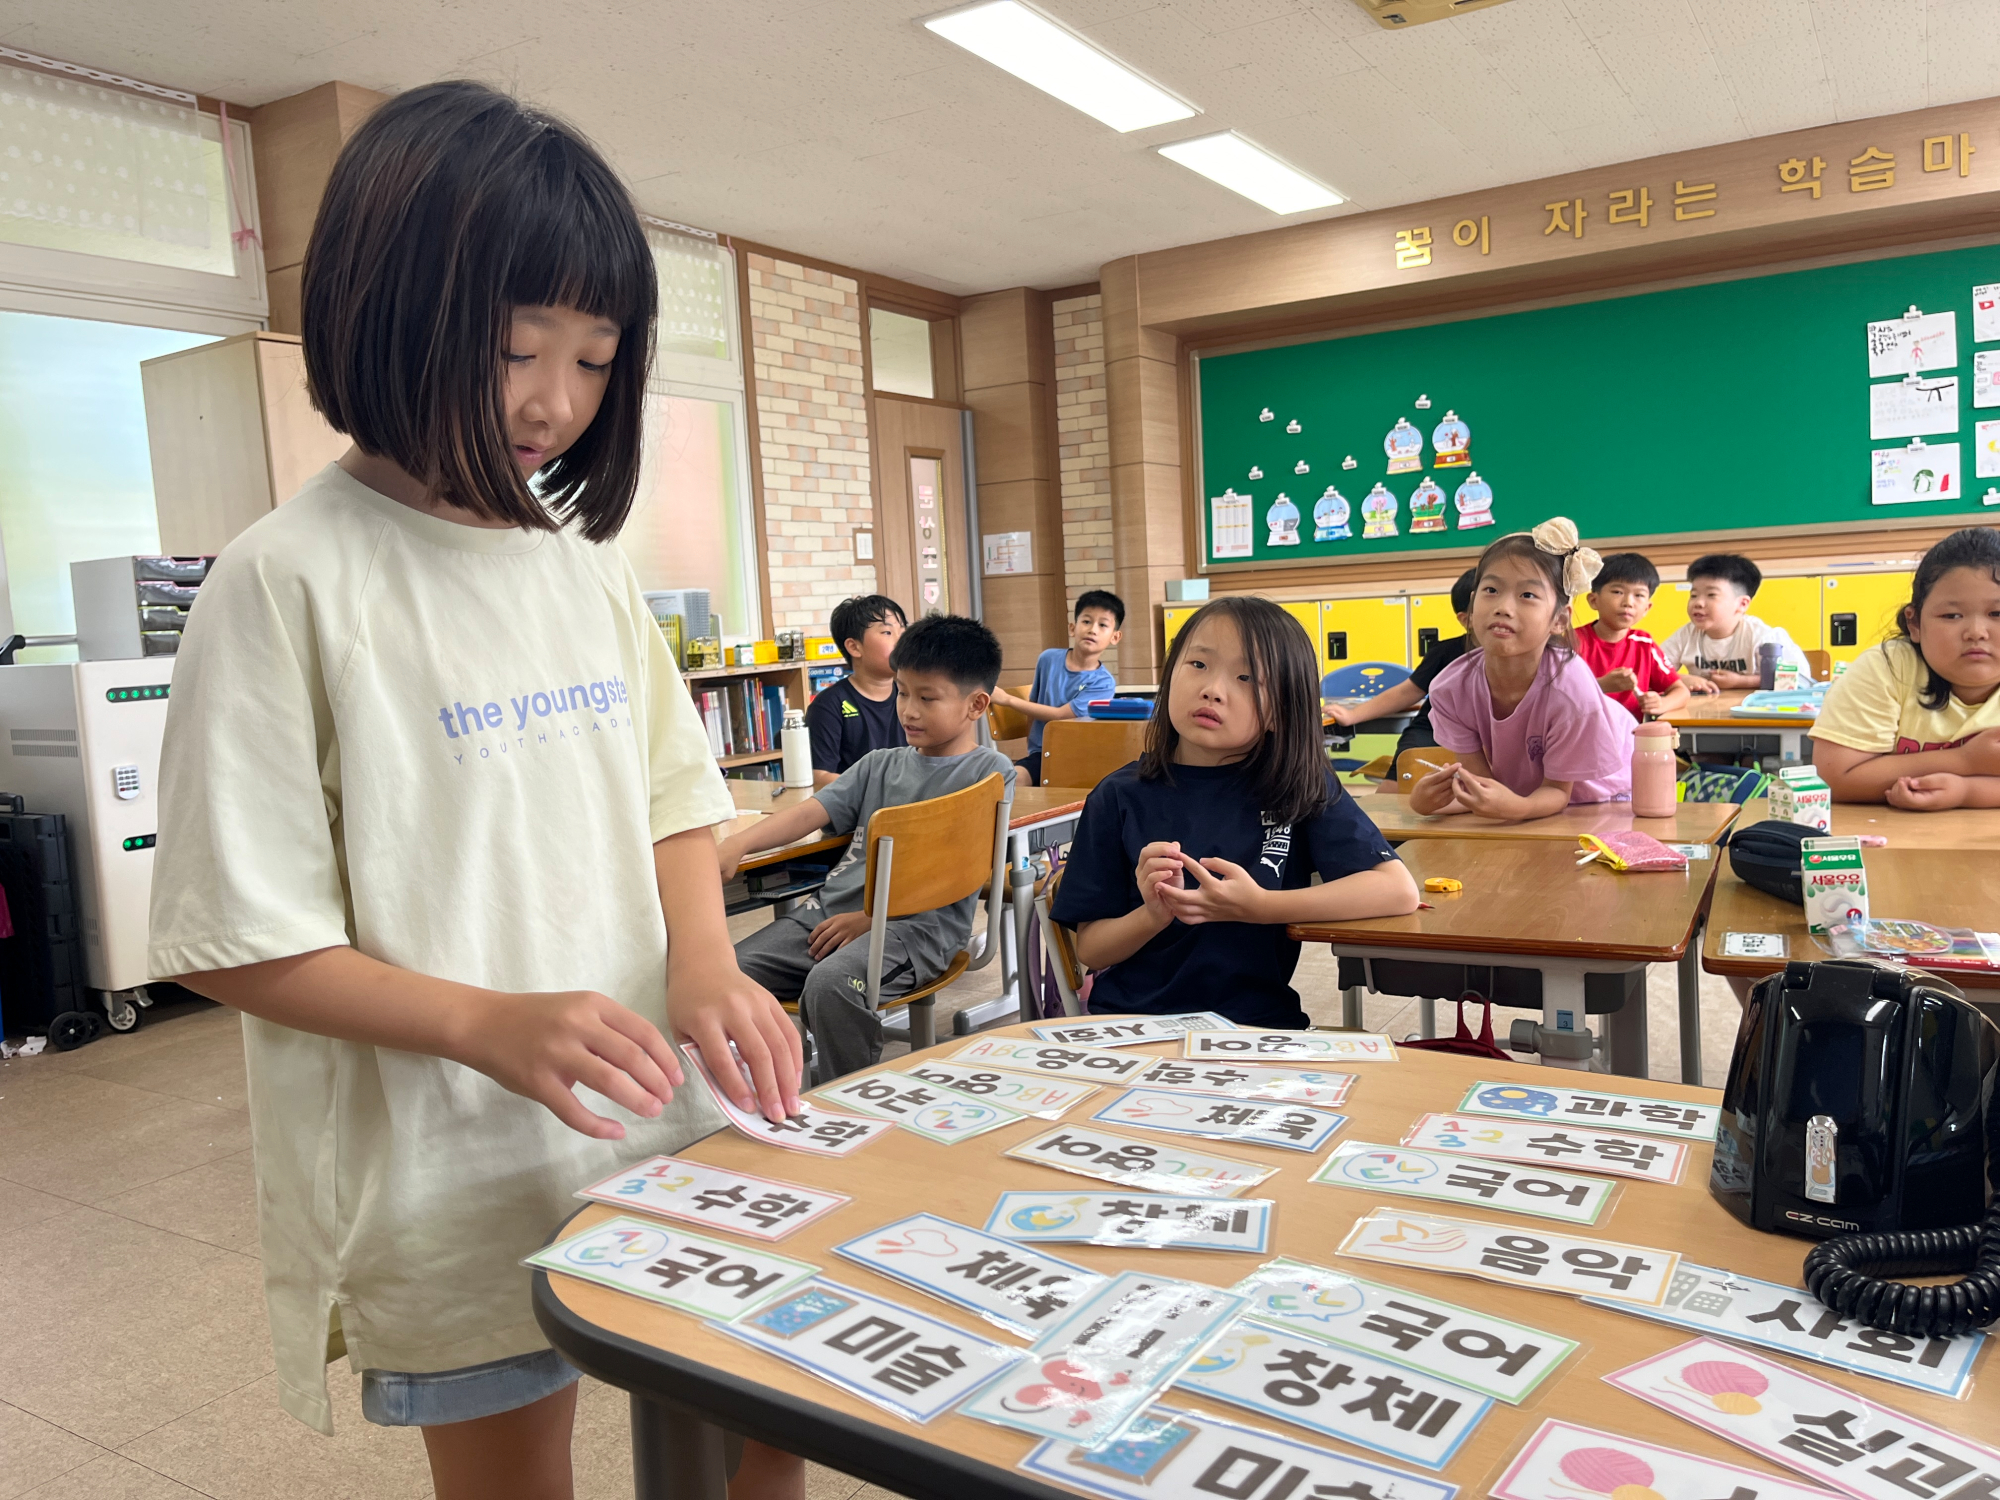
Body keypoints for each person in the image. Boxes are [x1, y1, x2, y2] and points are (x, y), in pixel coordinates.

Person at [143, 83, 807, 1500]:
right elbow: (236, 934)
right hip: (448, 1166)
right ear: (391, 314)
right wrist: (479, 1023)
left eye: (593, 357)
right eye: (516, 350)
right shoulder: (286, 579)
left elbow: (669, 795)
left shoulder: (577, 557)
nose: (555, 401)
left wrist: (702, 961)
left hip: (659, 1108)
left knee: (762, 1414)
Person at [1050, 596, 1417, 1027]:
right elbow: (1091, 949)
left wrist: (1259, 906)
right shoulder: (1119, 796)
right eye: (1198, 665)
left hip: (1256, 1026)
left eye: (1246, 677)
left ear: (1281, 711)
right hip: (1134, 1024)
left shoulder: (1297, 783)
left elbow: (1397, 890)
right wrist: (1152, 914)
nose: (1213, 689)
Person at [721, 615, 1014, 1078]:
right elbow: (807, 813)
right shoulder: (879, 764)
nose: (908, 710)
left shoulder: (990, 774)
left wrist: (873, 918)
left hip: (918, 932)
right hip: (825, 917)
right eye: (902, 692)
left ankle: (845, 1098)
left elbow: (960, 868)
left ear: (976, 704)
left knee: (831, 986)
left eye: (927, 698)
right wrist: (737, 845)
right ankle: (778, 1087)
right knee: (726, 971)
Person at [1413, 518, 1633, 820]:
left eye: (1527, 595)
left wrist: (1516, 807)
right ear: (1473, 604)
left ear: (1559, 620)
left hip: (1606, 793)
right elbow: (1485, 790)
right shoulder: (1450, 689)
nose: (1503, 606)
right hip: (1532, 799)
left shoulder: (1571, 692)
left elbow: (1556, 792)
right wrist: (1424, 805)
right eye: (1491, 590)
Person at [1811, 526, 2000, 809]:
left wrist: (1965, 791)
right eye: (1952, 615)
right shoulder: (1888, 668)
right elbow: (1832, 777)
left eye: (1997, 613)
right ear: (1914, 624)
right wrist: (1964, 760)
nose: (1976, 632)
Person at [1325, 568, 1478, 760]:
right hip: (1431, 734)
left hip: (1483, 740)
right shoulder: (1445, 652)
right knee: (1398, 782)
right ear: (1466, 619)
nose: (1504, 609)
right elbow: (1407, 692)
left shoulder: (1521, 658)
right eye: (1489, 595)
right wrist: (1352, 715)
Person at [990, 589, 1123, 785]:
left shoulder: (1104, 683)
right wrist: (1033, 748)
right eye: (1086, 621)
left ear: (1115, 637)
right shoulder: (1048, 659)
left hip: (1078, 758)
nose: (1092, 629)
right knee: (1009, 782)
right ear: (1072, 627)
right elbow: (1033, 706)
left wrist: (1007, 700)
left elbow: (1060, 715)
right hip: (1041, 755)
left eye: (1103, 625)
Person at [1661, 553, 1808, 692]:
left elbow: (1798, 680)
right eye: (1693, 595)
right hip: (1702, 713)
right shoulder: (1686, 635)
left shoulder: (1763, 636)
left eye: (1711, 595)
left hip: (1756, 713)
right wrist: (1681, 679)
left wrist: (1742, 682)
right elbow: (1650, 671)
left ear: (1742, 604)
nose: (1698, 603)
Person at [804, 593, 906, 788]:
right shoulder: (828, 706)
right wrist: (882, 787)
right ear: (854, 647)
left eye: (903, 631)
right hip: (857, 811)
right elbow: (820, 777)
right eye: (887, 632)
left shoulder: (912, 697)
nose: (901, 641)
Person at [1574, 551, 1691, 720]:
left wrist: (1660, 704)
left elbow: (1680, 691)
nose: (1628, 602)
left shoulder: (1644, 644)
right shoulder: (1572, 642)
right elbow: (1554, 695)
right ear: (1593, 600)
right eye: (1617, 592)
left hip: (1632, 738)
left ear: (1647, 608)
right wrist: (1601, 686)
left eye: (1639, 595)